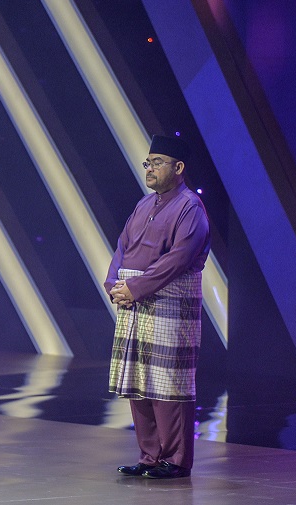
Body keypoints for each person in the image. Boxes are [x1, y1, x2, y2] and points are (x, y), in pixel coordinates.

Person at [106, 134, 210, 479]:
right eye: (148, 163)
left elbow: (178, 260)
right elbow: (122, 247)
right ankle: (149, 456)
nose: (149, 169)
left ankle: (176, 460)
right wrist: (113, 286)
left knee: (168, 384)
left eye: (158, 162)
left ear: (179, 168)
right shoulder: (143, 204)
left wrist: (134, 287)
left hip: (169, 302)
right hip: (134, 300)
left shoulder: (190, 207)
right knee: (139, 381)